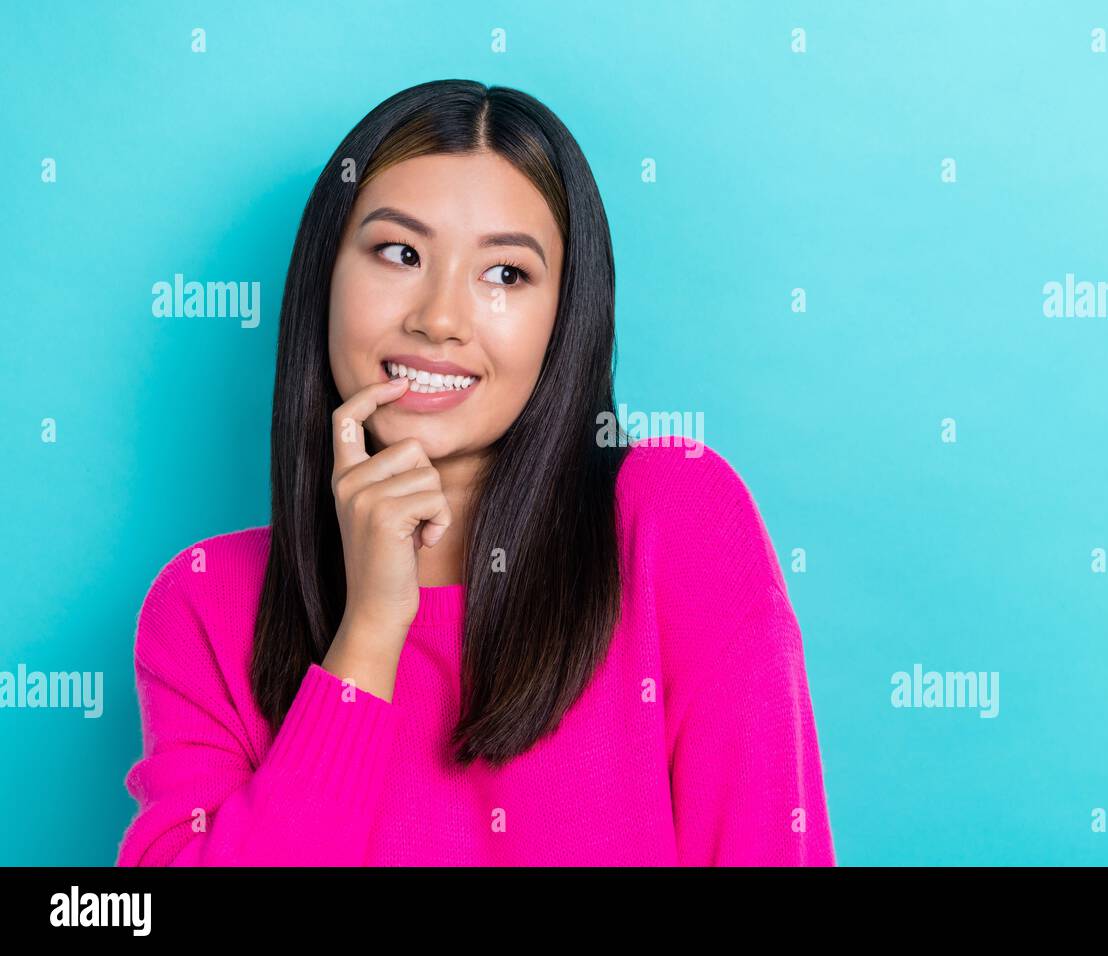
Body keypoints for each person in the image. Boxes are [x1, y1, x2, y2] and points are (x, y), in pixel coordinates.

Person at [115, 79, 835, 866]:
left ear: (566, 318)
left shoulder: (678, 521)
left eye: (505, 275)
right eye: (399, 253)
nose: (440, 319)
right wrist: (365, 640)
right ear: (325, 276)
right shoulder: (205, 599)